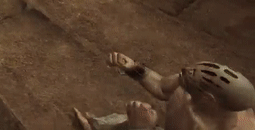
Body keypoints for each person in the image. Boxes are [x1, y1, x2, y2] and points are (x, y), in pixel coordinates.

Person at [75, 52, 255, 130]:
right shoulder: (189, 85)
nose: (185, 72)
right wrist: (133, 68)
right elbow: (162, 86)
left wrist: (141, 128)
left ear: (208, 99)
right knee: (119, 121)